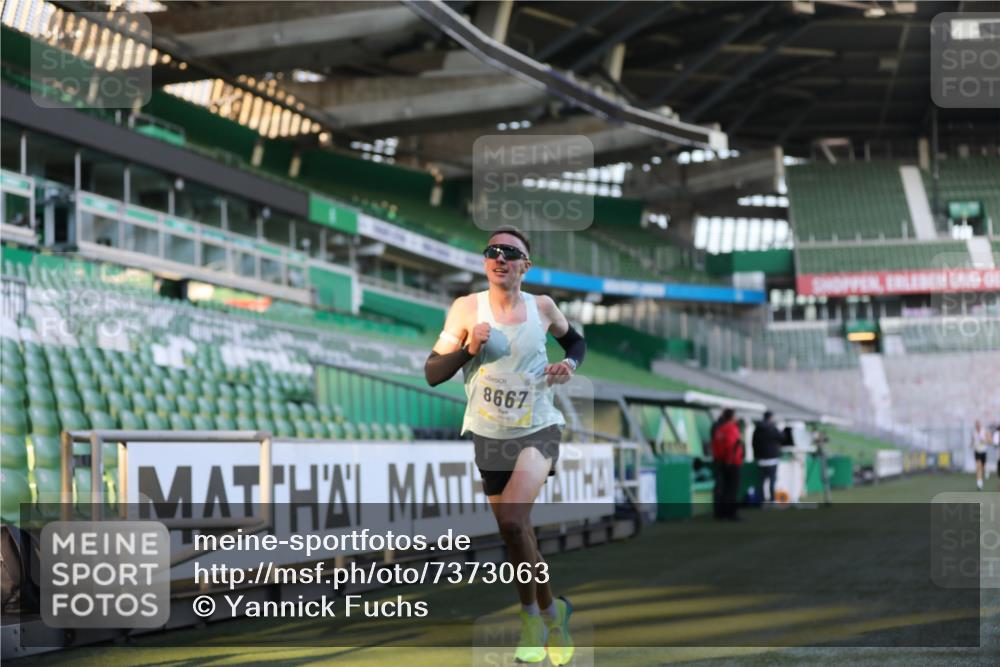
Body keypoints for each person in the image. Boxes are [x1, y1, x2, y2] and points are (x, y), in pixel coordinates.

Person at [424, 226, 585, 665]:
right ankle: (555, 613)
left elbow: (575, 341)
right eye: (492, 251)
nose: (500, 258)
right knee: (518, 533)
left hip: (538, 427)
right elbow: (433, 372)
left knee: (514, 522)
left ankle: (530, 618)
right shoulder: (464, 309)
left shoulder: (543, 307)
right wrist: (468, 348)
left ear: (524, 266)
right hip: (488, 433)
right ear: (484, 262)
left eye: (510, 253)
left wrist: (569, 363)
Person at [711, 408, 744, 521]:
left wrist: (719, 460)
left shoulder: (719, 429)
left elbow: (715, 446)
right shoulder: (732, 429)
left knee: (723, 489)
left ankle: (721, 513)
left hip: (721, 462)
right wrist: (729, 460)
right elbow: (732, 446)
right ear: (732, 417)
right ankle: (731, 513)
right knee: (732, 489)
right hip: (732, 463)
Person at [752, 411, 783, 504]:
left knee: (761, 482)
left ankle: (762, 501)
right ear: (770, 418)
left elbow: (753, 443)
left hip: (761, 460)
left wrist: (756, 455)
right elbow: (782, 438)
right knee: (772, 481)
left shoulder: (757, 429)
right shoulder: (773, 428)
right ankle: (772, 500)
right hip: (773, 460)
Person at [971, 420, 990, 490]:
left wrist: (985, 441)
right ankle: (979, 483)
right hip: (977, 452)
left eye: (979, 425)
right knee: (978, 467)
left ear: (980, 425)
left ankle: (986, 471)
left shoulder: (984, 431)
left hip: (983, 452)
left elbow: (990, 440)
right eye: (976, 425)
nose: (977, 426)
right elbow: (973, 440)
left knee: (983, 467)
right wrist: (971, 444)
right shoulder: (974, 432)